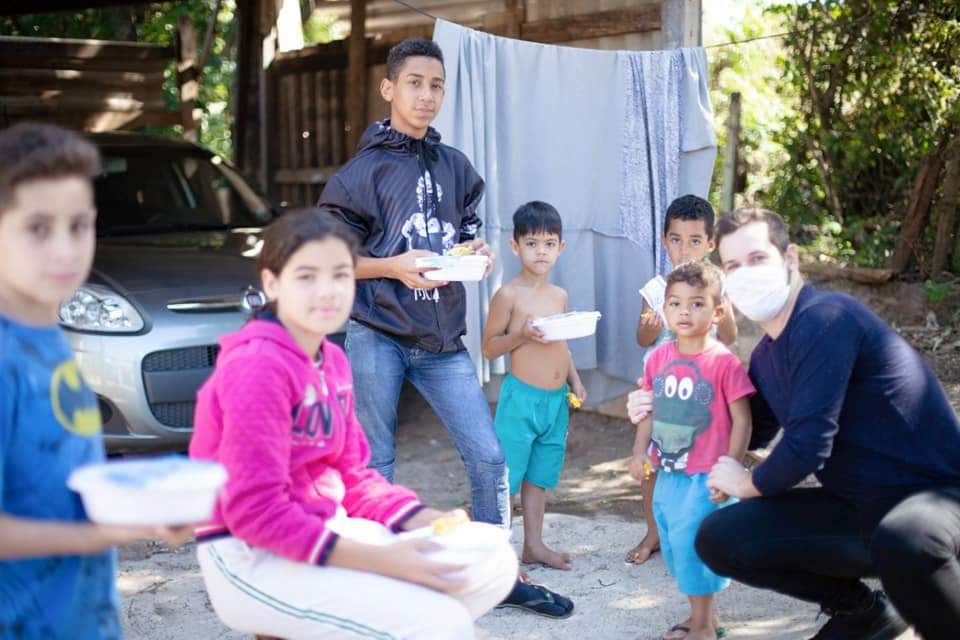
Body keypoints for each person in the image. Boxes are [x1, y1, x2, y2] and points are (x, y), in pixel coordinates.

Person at [319, 38, 575, 617]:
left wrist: (476, 252)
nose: (426, 95)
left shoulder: (455, 166)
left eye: (436, 85)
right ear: (389, 88)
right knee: (376, 463)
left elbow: (463, 234)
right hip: (377, 332)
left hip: (442, 342)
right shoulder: (359, 174)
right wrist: (392, 266)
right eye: (415, 83)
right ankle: (374, 582)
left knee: (489, 457)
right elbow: (332, 258)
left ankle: (497, 576)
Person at [628, 207, 960, 640]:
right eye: (733, 265)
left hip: (934, 500)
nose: (746, 273)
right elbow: (745, 426)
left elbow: (808, 444)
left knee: (906, 540)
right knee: (720, 538)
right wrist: (661, 404)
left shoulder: (827, 318)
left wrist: (747, 482)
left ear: (791, 258)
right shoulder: (767, 355)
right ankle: (863, 612)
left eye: (757, 258)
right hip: (855, 508)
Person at [189, 210, 518, 640]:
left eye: (340, 275)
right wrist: (386, 561)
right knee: (443, 624)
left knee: (491, 559)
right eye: (307, 277)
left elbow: (354, 476)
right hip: (249, 554)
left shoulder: (332, 360)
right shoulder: (257, 365)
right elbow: (256, 513)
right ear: (272, 283)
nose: (327, 291)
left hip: (324, 528)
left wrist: (426, 520)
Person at [0, 123, 191, 639]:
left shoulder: (49, 335)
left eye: (79, 225)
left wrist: (145, 508)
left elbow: (57, 476)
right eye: (38, 228)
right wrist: (101, 534)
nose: (65, 250)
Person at [627, 260, 753, 640]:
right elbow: (648, 411)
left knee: (693, 547)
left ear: (717, 312)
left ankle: (702, 627)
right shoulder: (658, 359)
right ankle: (704, 618)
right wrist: (639, 452)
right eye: (676, 303)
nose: (684, 311)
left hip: (706, 477)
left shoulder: (724, 363)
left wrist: (730, 470)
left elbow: (743, 421)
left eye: (697, 303)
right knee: (674, 546)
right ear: (664, 308)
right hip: (668, 474)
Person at [627, 194, 738, 566]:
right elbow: (641, 338)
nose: (684, 249)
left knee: (703, 463)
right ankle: (653, 532)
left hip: (704, 393)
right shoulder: (655, 289)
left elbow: (730, 336)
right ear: (664, 240)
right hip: (661, 392)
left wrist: (722, 308)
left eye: (694, 241)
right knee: (654, 463)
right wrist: (651, 325)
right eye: (676, 239)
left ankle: (704, 533)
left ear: (710, 244)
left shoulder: (717, 286)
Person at [481, 201, 587, 571]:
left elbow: (562, 343)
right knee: (508, 478)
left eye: (549, 244)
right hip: (521, 401)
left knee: (539, 476)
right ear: (515, 247)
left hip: (555, 402)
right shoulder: (508, 295)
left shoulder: (559, 295)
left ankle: (534, 545)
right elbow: (489, 347)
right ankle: (501, 555)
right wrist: (521, 335)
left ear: (561, 247)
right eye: (531, 243)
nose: (540, 251)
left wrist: (574, 379)